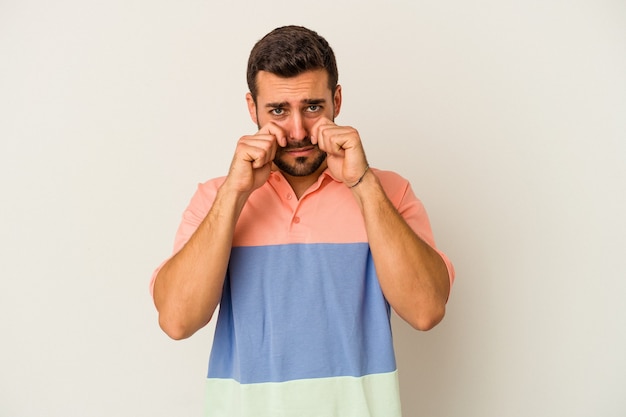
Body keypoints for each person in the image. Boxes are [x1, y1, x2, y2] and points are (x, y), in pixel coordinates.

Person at [150, 25, 455, 417]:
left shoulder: (388, 193)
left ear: (337, 100)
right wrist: (234, 195)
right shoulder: (215, 198)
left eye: (312, 107)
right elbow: (176, 321)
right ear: (252, 109)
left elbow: (426, 311)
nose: (297, 132)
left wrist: (362, 184)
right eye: (278, 111)